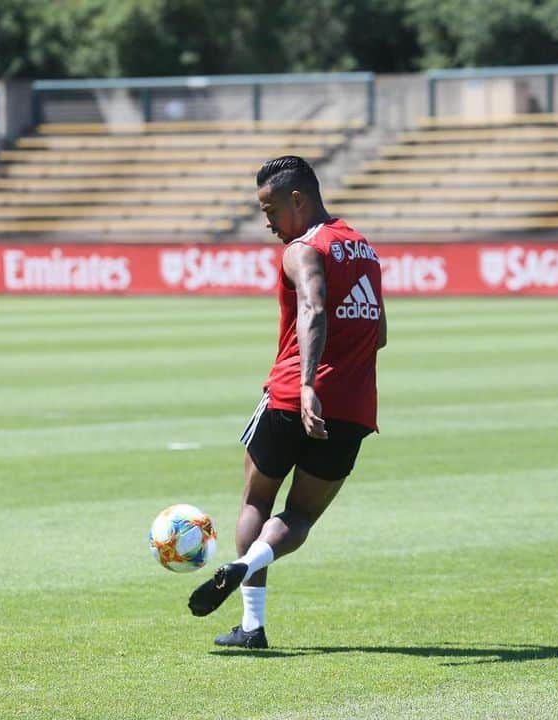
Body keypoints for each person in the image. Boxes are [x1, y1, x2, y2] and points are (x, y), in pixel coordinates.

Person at [188, 155, 387, 649]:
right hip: (353, 406)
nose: (268, 222)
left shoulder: (303, 249)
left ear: (296, 199)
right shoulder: (364, 251)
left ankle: (251, 625)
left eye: (269, 209)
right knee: (299, 517)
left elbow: (315, 308)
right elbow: (379, 334)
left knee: (256, 500)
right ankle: (251, 562)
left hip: (290, 395)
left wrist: (306, 385)